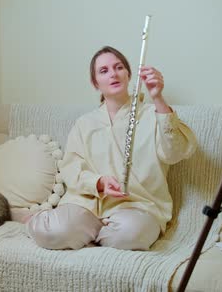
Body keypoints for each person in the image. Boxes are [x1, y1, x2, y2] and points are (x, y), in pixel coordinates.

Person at [27, 46, 197, 251]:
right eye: (104, 71)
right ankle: (86, 229)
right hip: (88, 204)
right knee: (52, 233)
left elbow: (174, 153)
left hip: (138, 206)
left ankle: (90, 234)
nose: (113, 74)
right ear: (95, 82)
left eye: (119, 67)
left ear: (128, 74)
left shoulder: (153, 114)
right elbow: (70, 169)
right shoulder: (84, 123)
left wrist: (158, 98)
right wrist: (98, 182)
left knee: (132, 235)